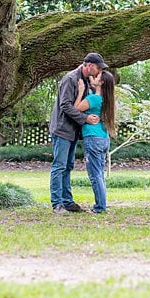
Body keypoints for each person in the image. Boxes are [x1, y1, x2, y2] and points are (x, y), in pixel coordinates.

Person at [48, 52, 105, 214]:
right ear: (89, 65)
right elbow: (65, 106)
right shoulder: (71, 79)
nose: (99, 71)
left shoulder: (85, 80)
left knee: (68, 166)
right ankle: (57, 204)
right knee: (59, 166)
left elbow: (87, 102)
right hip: (62, 128)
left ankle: (67, 201)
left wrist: (95, 88)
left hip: (73, 129)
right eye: (98, 67)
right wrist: (85, 118)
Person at [74, 68, 116, 214]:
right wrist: (92, 86)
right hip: (103, 138)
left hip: (92, 138)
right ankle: (102, 203)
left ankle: (100, 207)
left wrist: (81, 90)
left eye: (96, 76)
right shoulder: (106, 99)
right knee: (100, 173)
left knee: (94, 174)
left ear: (101, 82)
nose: (93, 77)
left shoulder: (93, 99)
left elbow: (75, 109)